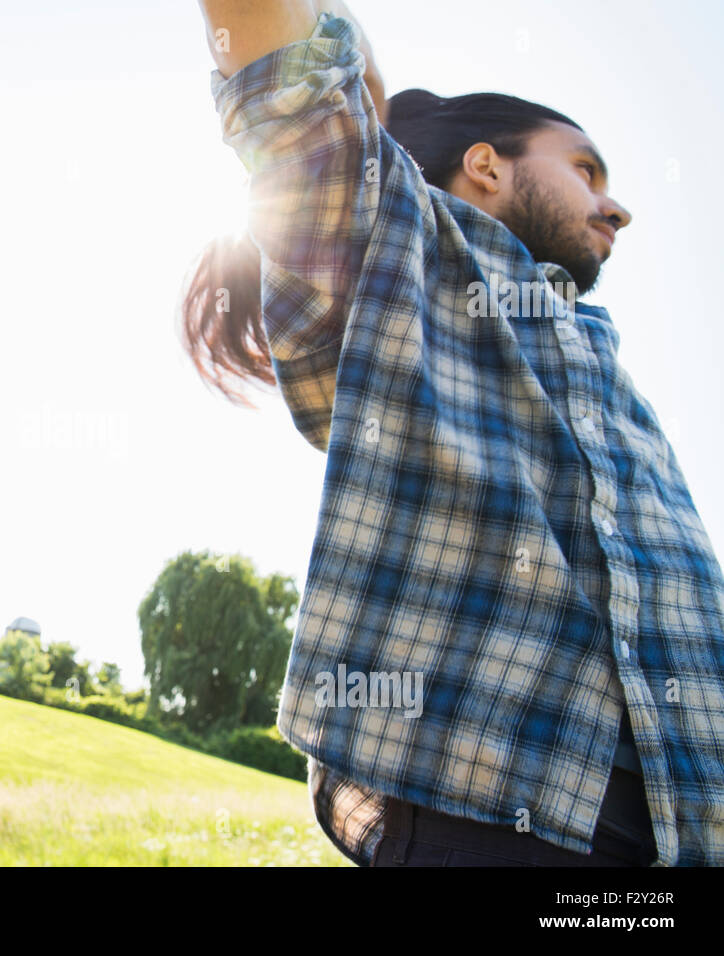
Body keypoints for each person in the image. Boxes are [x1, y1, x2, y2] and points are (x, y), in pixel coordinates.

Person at [185, 0, 723, 866]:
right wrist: (362, 66)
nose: (616, 207)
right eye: (587, 168)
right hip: (500, 812)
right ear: (486, 165)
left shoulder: (596, 350)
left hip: (683, 820)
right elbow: (289, 83)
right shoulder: (402, 250)